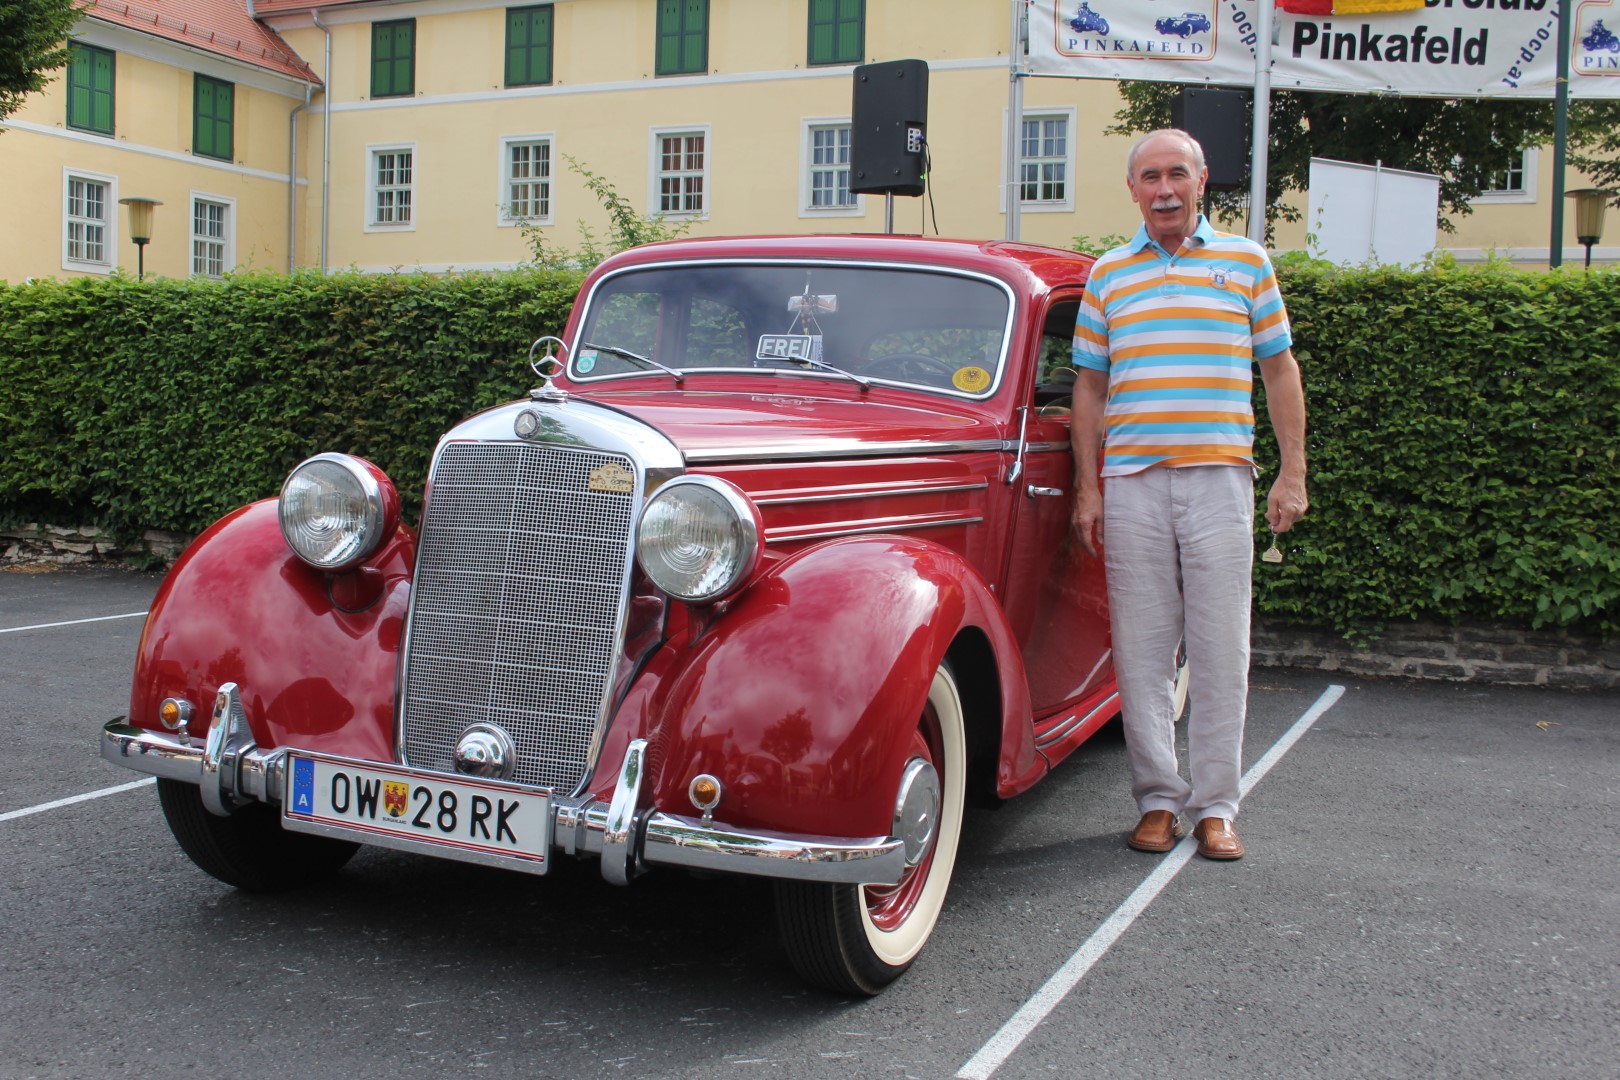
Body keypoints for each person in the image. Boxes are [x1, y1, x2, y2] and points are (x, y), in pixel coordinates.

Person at [1070, 129, 1308, 861]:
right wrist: (1088, 485)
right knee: (1141, 651)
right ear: (1133, 189)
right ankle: (1159, 801)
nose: (1165, 188)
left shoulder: (1246, 261)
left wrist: (1292, 472)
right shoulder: (1108, 274)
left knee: (1220, 646)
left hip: (1219, 479)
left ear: (1203, 182)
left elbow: (1280, 371)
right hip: (1132, 482)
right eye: (1150, 176)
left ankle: (1216, 806)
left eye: (1178, 174)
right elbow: (1089, 385)